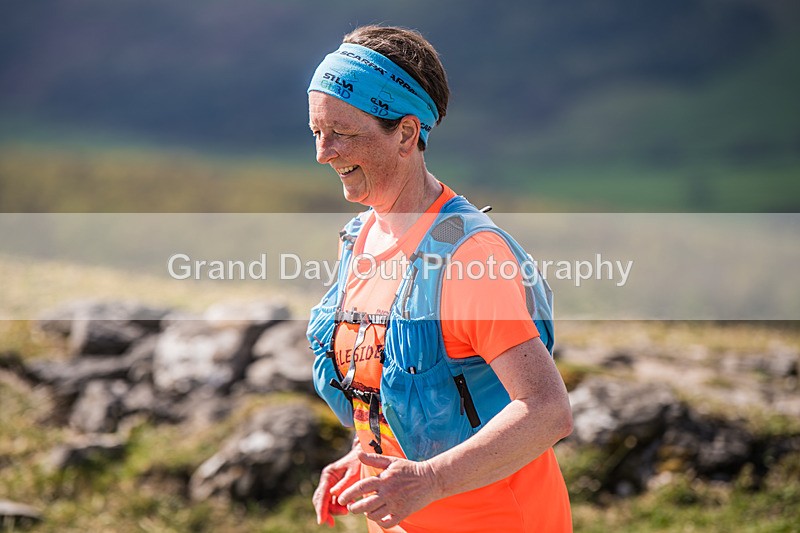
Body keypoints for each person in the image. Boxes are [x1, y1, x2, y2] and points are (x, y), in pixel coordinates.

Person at [306, 25, 573, 533]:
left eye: (343, 132)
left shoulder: (469, 258)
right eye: (317, 131)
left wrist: (429, 479)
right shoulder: (362, 236)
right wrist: (364, 453)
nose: (324, 152)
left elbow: (546, 410)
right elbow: (393, 380)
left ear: (406, 133)